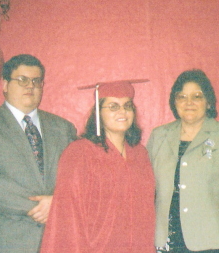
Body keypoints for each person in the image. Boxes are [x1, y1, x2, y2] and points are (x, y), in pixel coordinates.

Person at [0, 54, 77, 252]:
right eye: (22, 80)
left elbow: (76, 178)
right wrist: (44, 207)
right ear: (5, 85)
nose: (30, 86)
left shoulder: (63, 128)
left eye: (36, 81)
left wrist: (58, 202)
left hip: (52, 241)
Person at [40, 80, 156, 253]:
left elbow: (146, 213)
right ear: (98, 113)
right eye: (113, 106)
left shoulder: (140, 154)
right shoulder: (79, 153)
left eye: (127, 106)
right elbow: (68, 216)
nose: (122, 111)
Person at [147, 69, 219, 253]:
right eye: (182, 97)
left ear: (209, 101)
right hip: (166, 243)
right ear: (174, 101)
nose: (189, 103)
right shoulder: (159, 136)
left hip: (211, 243)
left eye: (197, 96)